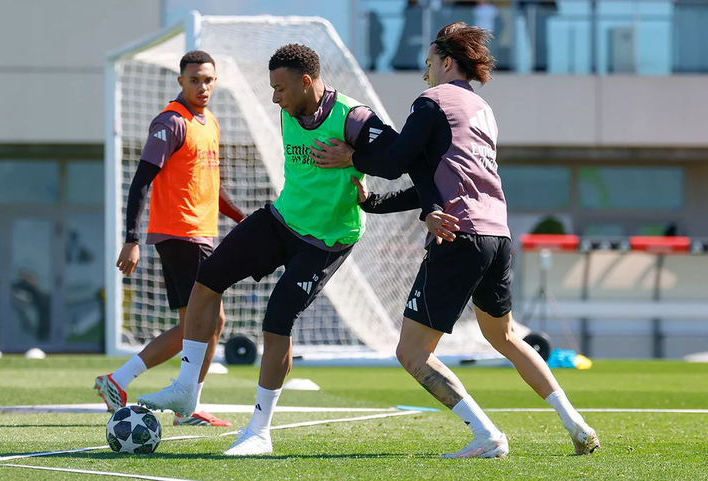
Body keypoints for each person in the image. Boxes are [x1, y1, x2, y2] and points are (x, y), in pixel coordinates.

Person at [138, 43, 445, 456]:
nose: (273, 98)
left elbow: (408, 161)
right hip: (282, 219)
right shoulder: (288, 110)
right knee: (207, 279)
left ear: (306, 82)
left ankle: (258, 433)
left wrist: (413, 197)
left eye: (280, 88)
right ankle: (186, 389)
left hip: (328, 239)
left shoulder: (353, 119)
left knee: (277, 318)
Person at [310, 22, 599, 458]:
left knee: (411, 352)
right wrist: (375, 204)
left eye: (428, 64)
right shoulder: (482, 110)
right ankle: (576, 424)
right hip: (497, 235)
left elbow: (395, 161)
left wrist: (352, 156)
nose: (424, 74)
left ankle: (486, 435)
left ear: (447, 62)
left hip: (458, 236)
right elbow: (433, 181)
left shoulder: (432, 101)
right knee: (504, 337)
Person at [94, 50, 245, 428]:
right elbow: (140, 181)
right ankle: (187, 402)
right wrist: (131, 239)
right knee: (211, 321)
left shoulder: (208, 122)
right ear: (181, 82)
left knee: (193, 325)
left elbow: (212, 186)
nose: (202, 86)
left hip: (200, 233)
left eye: (208, 79)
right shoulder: (171, 122)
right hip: (181, 234)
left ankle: (119, 381)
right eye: (195, 79)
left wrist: (244, 218)